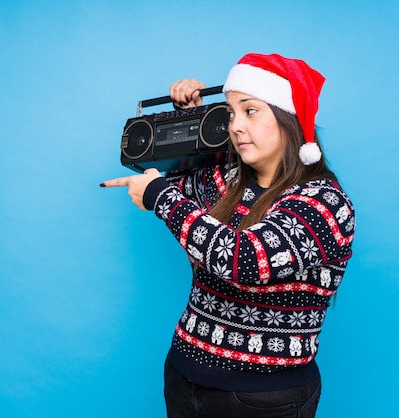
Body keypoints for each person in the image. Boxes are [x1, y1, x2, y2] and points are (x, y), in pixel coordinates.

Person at [101, 52, 355, 418]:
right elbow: (171, 183)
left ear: (290, 119)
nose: (235, 125)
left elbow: (243, 260)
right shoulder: (228, 181)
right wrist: (188, 118)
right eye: (230, 113)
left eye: (250, 111)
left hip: (263, 399)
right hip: (183, 377)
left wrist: (159, 197)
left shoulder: (324, 203)